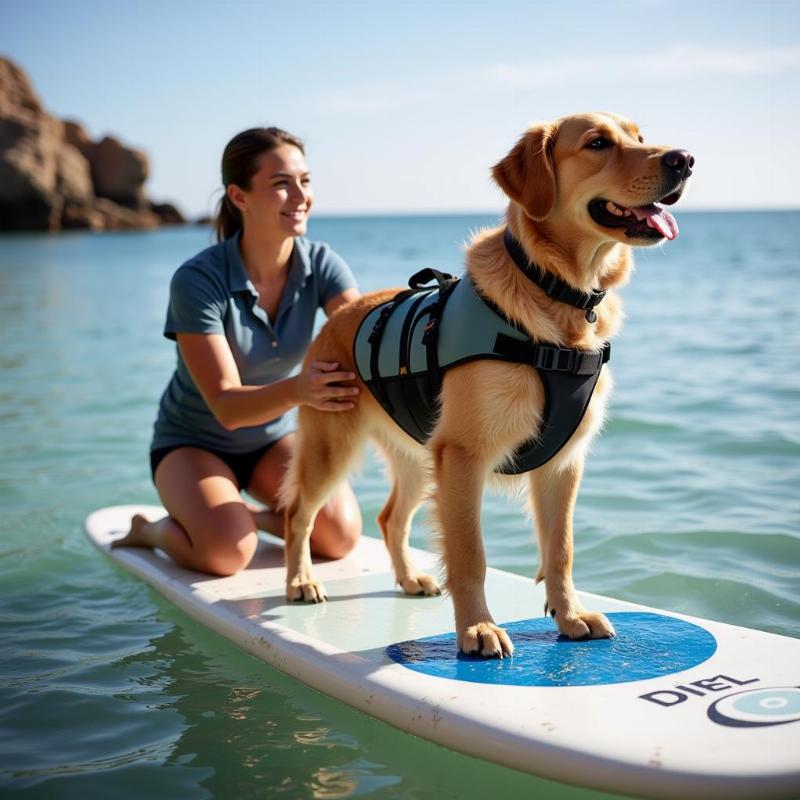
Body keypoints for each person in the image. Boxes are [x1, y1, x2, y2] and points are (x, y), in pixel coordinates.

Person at [113, 127, 363, 575]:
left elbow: (362, 335)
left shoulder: (323, 263)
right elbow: (226, 405)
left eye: (305, 181)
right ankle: (153, 531)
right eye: (281, 183)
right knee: (227, 554)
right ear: (240, 196)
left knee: (339, 536)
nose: (300, 196)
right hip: (191, 444)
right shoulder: (197, 280)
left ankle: (238, 518)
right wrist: (302, 390)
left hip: (270, 441)